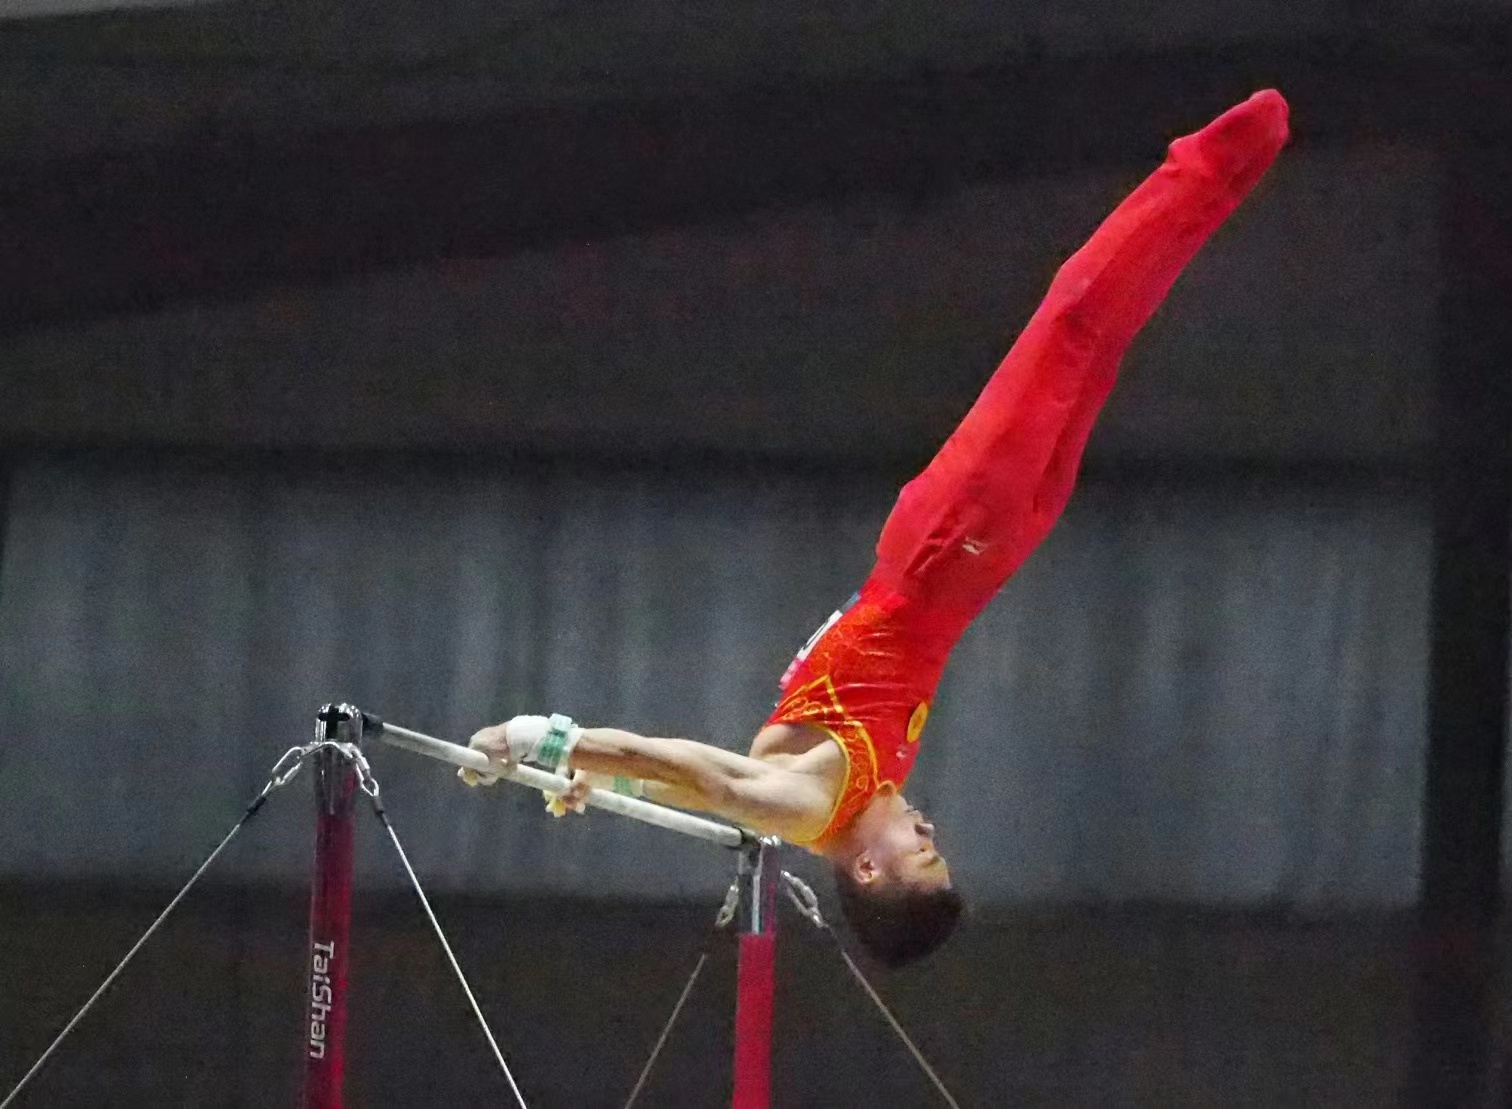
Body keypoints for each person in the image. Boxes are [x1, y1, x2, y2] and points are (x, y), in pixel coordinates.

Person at [462, 90, 1291, 967]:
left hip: (941, 549)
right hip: (981, 559)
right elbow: (704, 784)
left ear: (866, 867)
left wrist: (549, 740)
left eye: (922, 852)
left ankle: (1211, 163)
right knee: (1096, 346)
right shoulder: (832, 794)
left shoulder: (805, 808)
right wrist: (599, 773)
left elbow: (705, 772)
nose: (930, 829)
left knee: (1072, 324)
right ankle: (1214, 180)